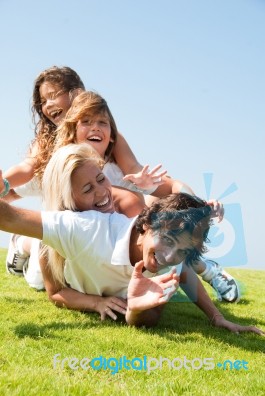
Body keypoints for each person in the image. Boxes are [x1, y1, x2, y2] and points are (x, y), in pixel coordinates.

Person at [1, 68, 239, 302]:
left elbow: (170, 185)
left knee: (158, 212)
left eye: (54, 95)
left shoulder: (110, 141)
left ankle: (206, 268)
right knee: (38, 277)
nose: (49, 104)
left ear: (75, 94)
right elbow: (24, 174)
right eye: (43, 100)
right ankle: (21, 243)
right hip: (74, 231)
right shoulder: (54, 152)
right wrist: (5, 184)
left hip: (113, 228)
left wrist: (197, 207)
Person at [0, 153, 263, 334]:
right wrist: (95, 303)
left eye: (181, 250)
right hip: (53, 262)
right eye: (168, 240)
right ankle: (19, 247)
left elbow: (182, 274)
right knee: (35, 266)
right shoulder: (86, 228)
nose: (169, 256)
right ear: (145, 224)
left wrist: (217, 318)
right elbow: (54, 291)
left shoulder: (170, 258)